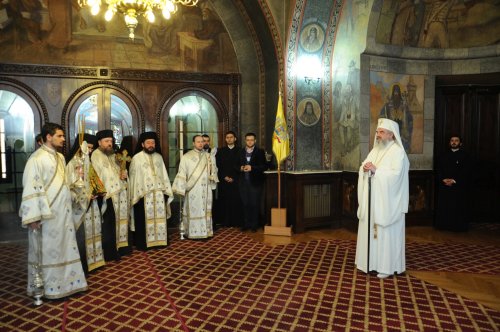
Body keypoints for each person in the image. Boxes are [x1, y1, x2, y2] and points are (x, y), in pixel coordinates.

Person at [19, 122, 88, 300]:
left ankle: (69, 284)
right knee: (49, 251)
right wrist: (32, 216)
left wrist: (77, 179)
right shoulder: (36, 159)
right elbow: (32, 188)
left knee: (65, 248)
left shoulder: (60, 158)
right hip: (47, 216)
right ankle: (51, 288)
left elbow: (64, 184)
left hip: (63, 214)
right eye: (60, 136)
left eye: (63, 136)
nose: (64, 139)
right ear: (48, 137)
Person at [355, 118, 409, 279]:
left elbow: (396, 176)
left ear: (391, 135)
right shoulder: (375, 150)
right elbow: (365, 166)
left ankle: (387, 267)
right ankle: (368, 263)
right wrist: (365, 169)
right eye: (377, 132)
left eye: (381, 132)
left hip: (388, 204)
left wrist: (377, 171)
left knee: (386, 234)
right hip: (372, 201)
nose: (377, 135)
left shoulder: (398, 153)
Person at [66, 134, 106, 274]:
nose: (89, 150)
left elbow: (93, 181)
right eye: (88, 147)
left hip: (92, 203)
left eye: (91, 148)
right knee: (83, 234)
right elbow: (71, 185)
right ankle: (83, 263)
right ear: (80, 146)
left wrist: (97, 192)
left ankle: (95, 260)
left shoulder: (88, 161)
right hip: (80, 206)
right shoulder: (73, 163)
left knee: (94, 230)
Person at [129, 132, 173, 250]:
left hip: (158, 194)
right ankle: (144, 243)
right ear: (143, 144)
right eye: (148, 142)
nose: (151, 145)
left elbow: (163, 175)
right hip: (143, 195)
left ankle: (160, 241)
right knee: (143, 219)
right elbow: (134, 178)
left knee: (160, 217)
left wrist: (166, 191)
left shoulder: (159, 157)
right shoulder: (136, 158)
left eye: (153, 142)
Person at [91, 129, 131, 261]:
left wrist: (124, 176)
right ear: (99, 142)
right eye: (106, 141)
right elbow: (98, 175)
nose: (110, 144)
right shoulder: (96, 155)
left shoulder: (114, 155)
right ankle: (110, 252)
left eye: (111, 141)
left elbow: (118, 171)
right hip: (107, 195)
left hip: (119, 194)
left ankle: (122, 247)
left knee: (121, 221)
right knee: (109, 225)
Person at [172, 135, 218, 239]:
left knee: (206, 209)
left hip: (206, 188)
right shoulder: (186, 157)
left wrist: (212, 167)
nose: (201, 144)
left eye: (202, 142)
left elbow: (213, 172)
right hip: (193, 189)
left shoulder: (208, 156)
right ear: (193, 143)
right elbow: (182, 173)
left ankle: (206, 231)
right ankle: (193, 232)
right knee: (194, 209)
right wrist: (181, 188)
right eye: (198, 142)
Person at [435, 135, 472, 231]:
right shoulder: (442, 155)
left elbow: (466, 171)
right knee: (445, 207)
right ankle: (444, 226)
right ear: (449, 143)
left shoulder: (466, 156)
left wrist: (454, 180)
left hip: (459, 187)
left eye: (456, 140)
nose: (454, 142)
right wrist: (443, 179)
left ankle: (457, 227)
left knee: (458, 207)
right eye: (452, 140)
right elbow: (438, 169)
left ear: (460, 143)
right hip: (444, 186)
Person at [239, 132, 267, 232]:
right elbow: (235, 165)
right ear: (245, 141)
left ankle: (254, 225)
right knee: (245, 204)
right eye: (247, 140)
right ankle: (246, 224)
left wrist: (252, 168)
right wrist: (240, 168)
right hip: (243, 183)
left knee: (254, 204)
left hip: (255, 183)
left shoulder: (260, 152)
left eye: (251, 140)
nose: (249, 141)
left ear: (255, 141)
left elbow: (264, 166)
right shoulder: (241, 151)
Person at [215, 131, 243, 228]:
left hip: (237, 180)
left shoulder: (240, 151)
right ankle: (225, 222)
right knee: (225, 201)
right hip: (224, 180)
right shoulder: (220, 151)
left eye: (231, 137)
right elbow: (218, 166)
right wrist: (224, 176)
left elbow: (241, 165)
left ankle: (236, 222)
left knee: (236, 201)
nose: (229, 139)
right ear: (225, 139)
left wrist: (234, 178)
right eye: (227, 137)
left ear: (235, 139)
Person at [379, 83, 413, 152]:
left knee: (401, 147)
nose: (396, 93)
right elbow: (382, 115)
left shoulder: (404, 104)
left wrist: (406, 119)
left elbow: (410, 117)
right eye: (395, 91)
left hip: (401, 128)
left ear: (399, 92)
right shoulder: (388, 105)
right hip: (391, 128)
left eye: (397, 91)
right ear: (393, 92)